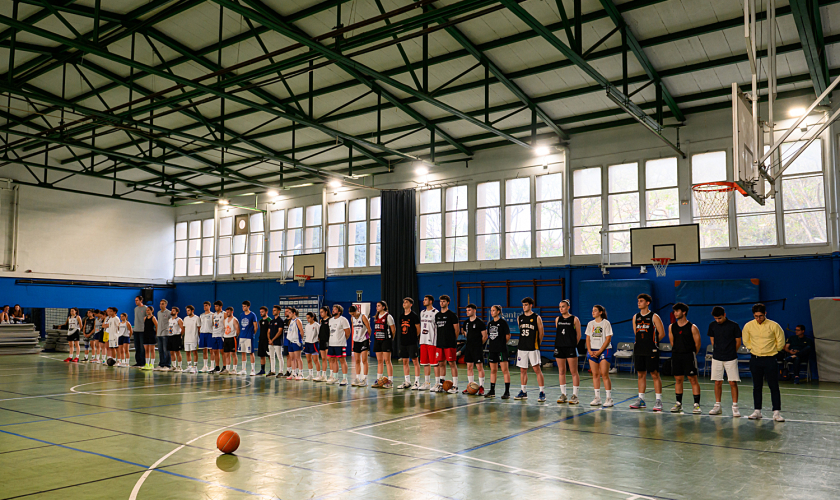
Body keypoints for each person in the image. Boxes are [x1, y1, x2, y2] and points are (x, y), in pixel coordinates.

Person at [743, 303, 785, 421]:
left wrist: (773, 350)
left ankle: (776, 412)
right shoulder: (749, 326)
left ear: (765, 314)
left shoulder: (774, 325)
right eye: (756, 316)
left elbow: (780, 341)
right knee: (757, 386)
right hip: (755, 359)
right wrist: (753, 349)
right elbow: (746, 340)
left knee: (773, 386)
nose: (758, 318)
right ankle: (757, 411)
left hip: (770, 359)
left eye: (760, 316)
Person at [629, 294, 666, 411]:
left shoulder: (654, 317)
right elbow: (636, 333)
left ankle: (658, 400)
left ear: (647, 303)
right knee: (640, 374)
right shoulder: (635, 317)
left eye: (641, 301)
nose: (638, 303)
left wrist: (652, 343)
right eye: (638, 301)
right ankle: (641, 399)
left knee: (655, 374)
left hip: (651, 350)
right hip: (639, 349)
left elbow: (662, 333)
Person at [708, 306, 742, 417]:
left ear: (725, 315)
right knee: (717, 381)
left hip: (731, 358)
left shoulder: (734, 326)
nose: (718, 320)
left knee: (733, 382)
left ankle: (735, 407)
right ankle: (717, 406)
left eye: (720, 318)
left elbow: (738, 342)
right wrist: (718, 350)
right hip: (717, 357)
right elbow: (712, 340)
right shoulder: (712, 326)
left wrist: (731, 352)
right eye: (716, 318)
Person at [669, 303, 702, 414]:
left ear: (684, 312)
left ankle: (696, 405)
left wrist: (691, 354)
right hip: (676, 356)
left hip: (689, 355)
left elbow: (697, 344)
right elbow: (672, 342)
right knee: (678, 380)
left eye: (677, 311)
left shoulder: (692, 327)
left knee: (693, 379)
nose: (675, 313)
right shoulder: (672, 327)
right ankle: (678, 404)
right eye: (674, 311)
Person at [515, 297, 546, 402]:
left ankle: (542, 392)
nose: (524, 307)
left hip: (533, 348)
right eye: (523, 305)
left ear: (531, 305)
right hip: (522, 348)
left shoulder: (537, 317)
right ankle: (523, 391)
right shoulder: (520, 318)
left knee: (537, 369)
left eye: (526, 305)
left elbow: (541, 333)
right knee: (522, 370)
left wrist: (537, 344)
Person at [585, 305, 613, 407]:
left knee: (604, 374)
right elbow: (588, 338)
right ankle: (597, 398)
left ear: (601, 312)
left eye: (595, 311)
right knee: (595, 374)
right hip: (592, 351)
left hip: (604, 350)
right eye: (592, 310)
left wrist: (600, 351)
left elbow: (608, 338)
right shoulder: (590, 324)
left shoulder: (606, 323)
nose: (593, 312)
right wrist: (589, 350)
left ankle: (609, 398)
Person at [554, 300, 581, 405]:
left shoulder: (574, 319)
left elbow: (578, 335)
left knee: (574, 372)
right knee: (561, 371)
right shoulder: (557, 319)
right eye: (560, 307)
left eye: (563, 307)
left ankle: (575, 395)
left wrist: (573, 344)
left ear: (568, 307)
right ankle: (563, 394)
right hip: (559, 347)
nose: (561, 309)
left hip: (570, 347)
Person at [435, 295, 460, 394]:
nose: (442, 303)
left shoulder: (452, 315)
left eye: (444, 301)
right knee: (441, 364)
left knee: (452, 364)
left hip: (449, 344)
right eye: (440, 301)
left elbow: (457, 330)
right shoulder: (437, 315)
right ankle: (441, 384)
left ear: (447, 303)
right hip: (440, 343)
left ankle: (455, 386)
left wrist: (453, 340)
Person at [461, 303, 487, 396]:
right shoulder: (466, 322)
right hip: (468, 347)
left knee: (479, 367)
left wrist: (479, 345)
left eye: (469, 310)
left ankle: (481, 387)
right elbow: (464, 332)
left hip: (477, 348)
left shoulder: (480, 323)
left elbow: (484, 336)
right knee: (469, 367)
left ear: (474, 310)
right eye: (466, 310)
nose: (467, 312)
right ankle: (470, 386)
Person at [485, 305, 511, 399]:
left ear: (498, 312)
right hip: (492, 349)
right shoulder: (490, 323)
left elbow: (508, 335)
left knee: (505, 370)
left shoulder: (503, 323)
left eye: (493, 310)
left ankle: (507, 392)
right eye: (491, 310)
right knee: (493, 370)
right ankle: (492, 391)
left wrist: (501, 344)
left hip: (501, 350)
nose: (492, 312)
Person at [371, 301, 396, 389]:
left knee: (387, 361)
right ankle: (379, 380)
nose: (377, 307)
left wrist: (389, 339)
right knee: (379, 361)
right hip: (377, 340)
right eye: (376, 305)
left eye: (379, 306)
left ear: (384, 307)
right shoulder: (376, 317)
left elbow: (393, 329)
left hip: (386, 340)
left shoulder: (388, 316)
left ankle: (390, 381)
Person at [398, 298, 422, 390]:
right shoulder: (401, 316)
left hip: (412, 342)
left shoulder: (414, 316)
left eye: (406, 302)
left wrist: (413, 337)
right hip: (403, 342)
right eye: (403, 302)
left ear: (411, 304)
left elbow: (418, 329)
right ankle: (407, 381)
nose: (404, 303)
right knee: (405, 362)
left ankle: (417, 382)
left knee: (415, 361)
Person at [419, 295, 439, 391]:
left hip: (432, 341)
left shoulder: (436, 313)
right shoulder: (422, 313)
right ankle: (427, 382)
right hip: (423, 341)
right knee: (425, 363)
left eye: (425, 300)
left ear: (431, 301)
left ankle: (437, 383)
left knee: (435, 363)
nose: (424, 301)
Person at [328, 305, 351, 385]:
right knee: (333, 360)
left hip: (340, 344)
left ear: (339, 312)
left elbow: (348, 332)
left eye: (335, 309)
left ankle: (345, 379)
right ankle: (335, 377)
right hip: (331, 343)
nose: (333, 311)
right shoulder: (330, 320)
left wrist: (342, 340)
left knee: (342, 360)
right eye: (333, 309)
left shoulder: (343, 320)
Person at [349, 305, 371, 386]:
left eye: (353, 313)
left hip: (364, 340)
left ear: (357, 311)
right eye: (351, 314)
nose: (352, 315)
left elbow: (369, 328)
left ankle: (365, 379)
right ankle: (357, 378)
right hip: (356, 341)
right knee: (357, 360)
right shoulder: (352, 318)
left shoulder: (363, 317)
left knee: (364, 360)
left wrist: (368, 338)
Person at [238, 301, 259, 376]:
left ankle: (253, 370)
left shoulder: (252, 315)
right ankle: (243, 369)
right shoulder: (241, 315)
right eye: (242, 306)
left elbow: (256, 327)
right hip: (242, 336)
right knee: (243, 352)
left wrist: (252, 334)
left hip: (249, 337)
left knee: (251, 353)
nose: (243, 308)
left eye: (244, 306)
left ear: (248, 306)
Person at [285, 307, 304, 380]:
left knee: (298, 358)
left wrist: (300, 341)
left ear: (294, 313)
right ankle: (293, 373)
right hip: (290, 341)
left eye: (290, 313)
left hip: (296, 342)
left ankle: (301, 374)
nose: (288, 314)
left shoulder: (297, 320)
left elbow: (301, 331)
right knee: (292, 358)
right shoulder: (290, 321)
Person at [303, 312, 322, 380]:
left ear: (312, 317)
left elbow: (319, 335)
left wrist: (317, 342)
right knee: (308, 360)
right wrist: (305, 344)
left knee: (316, 360)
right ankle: (310, 375)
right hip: (307, 343)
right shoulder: (307, 325)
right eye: (307, 318)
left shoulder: (317, 325)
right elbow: (306, 335)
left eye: (308, 318)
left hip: (314, 343)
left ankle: (318, 375)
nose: (307, 319)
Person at [221, 306, 239, 375]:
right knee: (226, 354)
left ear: (232, 312)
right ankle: (227, 369)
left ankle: (234, 369)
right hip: (226, 338)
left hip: (232, 338)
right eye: (226, 312)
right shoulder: (224, 321)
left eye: (228, 312)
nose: (227, 313)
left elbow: (238, 330)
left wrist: (235, 336)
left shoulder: (234, 320)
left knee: (233, 354)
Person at [268, 305, 285, 377]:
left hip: (277, 342)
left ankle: (280, 372)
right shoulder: (271, 321)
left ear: (279, 311)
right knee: (271, 357)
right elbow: (268, 331)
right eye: (273, 310)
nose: (273, 311)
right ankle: (272, 371)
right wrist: (269, 340)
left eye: (275, 310)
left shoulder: (280, 321)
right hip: (270, 343)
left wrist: (273, 340)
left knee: (279, 357)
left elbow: (280, 332)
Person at [182, 305, 200, 374]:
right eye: (186, 310)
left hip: (194, 338)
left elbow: (199, 329)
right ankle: (189, 366)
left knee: (194, 352)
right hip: (187, 338)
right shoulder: (185, 318)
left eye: (188, 310)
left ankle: (195, 367)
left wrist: (198, 337)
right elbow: (184, 328)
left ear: (192, 311)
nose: (187, 312)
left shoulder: (197, 318)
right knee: (187, 352)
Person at [155, 299, 172, 371]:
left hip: (165, 334)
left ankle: (167, 364)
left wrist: (170, 332)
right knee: (160, 350)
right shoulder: (158, 313)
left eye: (162, 304)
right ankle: (161, 364)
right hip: (159, 334)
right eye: (160, 304)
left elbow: (171, 323)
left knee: (166, 350)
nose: (161, 305)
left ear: (166, 305)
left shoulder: (169, 313)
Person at [198, 301, 215, 373]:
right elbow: (199, 325)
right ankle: (205, 366)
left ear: (209, 306)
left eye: (206, 305)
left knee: (211, 350)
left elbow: (214, 325)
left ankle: (212, 366)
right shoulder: (201, 315)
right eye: (204, 306)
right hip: (203, 334)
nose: (205, 307)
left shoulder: (212, 315)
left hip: (210, 334)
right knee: (204, 350)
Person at [317, 306, 331, 382]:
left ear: (326, 312)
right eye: (320, 312)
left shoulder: (330, 320)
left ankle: (332, 375)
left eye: (322, 312)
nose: (321, 313)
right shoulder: (321, 321)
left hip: (328, 341)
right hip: (321, 341)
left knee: (330, 359)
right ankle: (324, 375)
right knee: (323, 358)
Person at [210, 300, 225, 374]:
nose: (215, 307)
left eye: (217, 306)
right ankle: (217, 367)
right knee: (215, 351)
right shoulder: (214, 315)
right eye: (215, 306)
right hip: (214, 334)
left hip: (221, 335)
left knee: (222, 351)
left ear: (220, 306)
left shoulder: (224, 314)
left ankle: (224, 367)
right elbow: (213, 324)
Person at [141, 306, 157, 370]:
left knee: (152, 350)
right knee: (146, 350)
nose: (147, 311)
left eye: (148, 310)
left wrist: (155, 333)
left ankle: (152, 364)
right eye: (146, 310)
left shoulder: (153, 318)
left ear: (152, 311)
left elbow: (156, 325)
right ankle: (147, 363)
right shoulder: (145, 318)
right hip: (146, 334)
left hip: (151, 335)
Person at [257, 306, 271, 375]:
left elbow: (270, 331)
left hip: (267, 340)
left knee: (269, 355)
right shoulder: (260, 321)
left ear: (266, 312)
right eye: (260, 312)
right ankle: (262, 370)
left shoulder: (269, 320)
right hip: (261, 340)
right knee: (262, 355)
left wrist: (269, 340)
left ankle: (272, 369)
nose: (261, 313)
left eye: (262, 312)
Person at [169, 307, 184, 372]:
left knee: (177, 352)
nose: (172, 312)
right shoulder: (170, 320)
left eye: (174, 311)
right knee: (171, 352)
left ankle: (179, 367)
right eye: (172, 310)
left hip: (176, 336)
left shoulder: (179, 319)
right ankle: (173, 366)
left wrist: (180, 335)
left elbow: (183, 328)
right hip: (170, 336)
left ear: (177, 312)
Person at [133, 296, 146, 367]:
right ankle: (138, 362)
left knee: (142, 347)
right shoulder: (135, 309)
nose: (136, 302)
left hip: (142, 330)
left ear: (141, 300)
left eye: (137, 300)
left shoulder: (145, 308)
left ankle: (143, 362)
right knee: (137, 347)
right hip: (136, 330)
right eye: (135, 300)